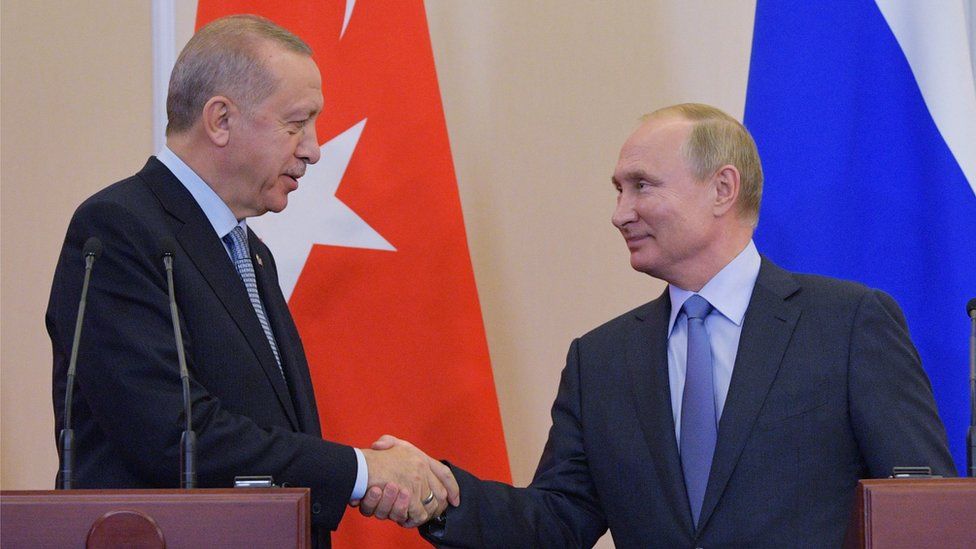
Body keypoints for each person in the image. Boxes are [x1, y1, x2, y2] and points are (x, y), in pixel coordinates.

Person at [357, 103, 956, 547]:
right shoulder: (601, 359)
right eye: (618, 190)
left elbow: (923, 511)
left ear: (723, 188)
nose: (620, 213)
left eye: (641, 186)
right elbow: (557, 521)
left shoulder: (848, 323)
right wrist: (438, 497)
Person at [46, 14, 456, 547]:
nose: (313, 148)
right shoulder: (119, 229)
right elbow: (174, 435)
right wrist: (360, 473)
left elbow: (274, 431)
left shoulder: (248, 250)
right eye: (295, 123)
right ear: (220, 120)